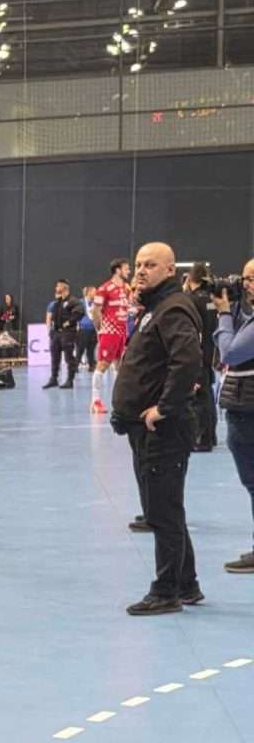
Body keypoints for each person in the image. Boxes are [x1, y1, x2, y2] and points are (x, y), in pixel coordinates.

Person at [110, 242, 203, 616]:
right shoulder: (156, 308)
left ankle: (166, 591)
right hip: (145, 431)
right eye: (138, 265)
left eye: (150, 265)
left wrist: (164, 408)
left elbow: (188, 360)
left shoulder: (173, 308)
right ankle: (187, 584)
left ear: (169, 270)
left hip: (162, 431)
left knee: (162, 512)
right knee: (165, 508)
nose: (141, 271)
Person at [210, 262, 254, 574]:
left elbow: (230, 352)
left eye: (251, 279)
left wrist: (224, 313)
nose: (245, 283)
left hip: (248, 411)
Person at [183, 262, 217, 452]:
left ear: (190, 278)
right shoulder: (211, 298)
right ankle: (211, 435)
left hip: (197, 351)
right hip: (210, 351)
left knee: (197, 396)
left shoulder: (191, 300)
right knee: (207, 394)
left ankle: (202, 439)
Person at [92, 257, 132, 411]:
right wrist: (100, 329)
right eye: (126, 268)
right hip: (109, 332)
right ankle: (95, 401)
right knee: (103, 364)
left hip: (122, 332)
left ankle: (119, 399)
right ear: (117, 270)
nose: (129, 271)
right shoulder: (104, 288)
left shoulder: (127, 289)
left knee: (120, 366)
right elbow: (96, 310)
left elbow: (129, 307)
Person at [45, 279, 83, 390]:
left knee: (69, 357)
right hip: (56, 333)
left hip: (68, 333)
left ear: (64, 287)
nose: (56, 288)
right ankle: (54, 379)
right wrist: (52, 330)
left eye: (58, 286)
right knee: (55, 356)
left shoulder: (72, 300)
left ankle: (70, 380)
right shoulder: (58, 301)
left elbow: (80, 312)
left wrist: (69, 322)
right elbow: (54, 316)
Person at [76, 285, 97, 372]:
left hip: (93, 329)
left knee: (91, 348)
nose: (96, 293)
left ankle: (91, 366)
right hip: (83, 329)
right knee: (80, 348)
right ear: (89, 293)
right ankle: (75, 366)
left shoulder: (95, 303)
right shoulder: (81, 302)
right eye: (94, 292)